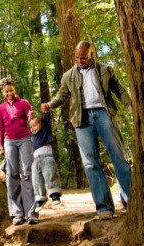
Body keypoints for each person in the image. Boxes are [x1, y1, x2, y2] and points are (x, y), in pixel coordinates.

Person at [41, 40, 131, 220]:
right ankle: (104, 208)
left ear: (91, 55)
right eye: (76, 58)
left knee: (118, 157)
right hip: (81, 118)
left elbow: (118, 89)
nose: (79, 61)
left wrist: (129, 105)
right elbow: (62, 95)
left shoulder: (105, 69)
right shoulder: (69, 75)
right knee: (90, 162)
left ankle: (130, 200)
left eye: (82, 57)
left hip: (104, 114)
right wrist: (51, 105)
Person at [0, 76, 38, 225]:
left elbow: (31, 120)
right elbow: (0, 128)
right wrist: (0, 145)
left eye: (11, 90)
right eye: (6, 91)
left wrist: (31, 116)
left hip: (25, 139)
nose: (9, 93)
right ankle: (17, 214)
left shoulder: (24, 103)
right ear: (3, 92)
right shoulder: (1, 109)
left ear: (15, 90)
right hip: (9, 142)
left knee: (27, 173)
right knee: (12, 175)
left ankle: (31, 213)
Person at [28, 110, 62, 213]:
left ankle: (54, 194)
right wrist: (30, 117)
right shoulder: (33, 135)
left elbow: (46, 119)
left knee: (50, 175)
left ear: (42, 124)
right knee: (36, 179)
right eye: (31, 127)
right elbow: (29, 127)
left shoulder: (45, 131)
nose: (33, 128)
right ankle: (40, 198)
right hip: (36, 160)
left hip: (47, 158)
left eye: (35, 125)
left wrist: (46, 112)